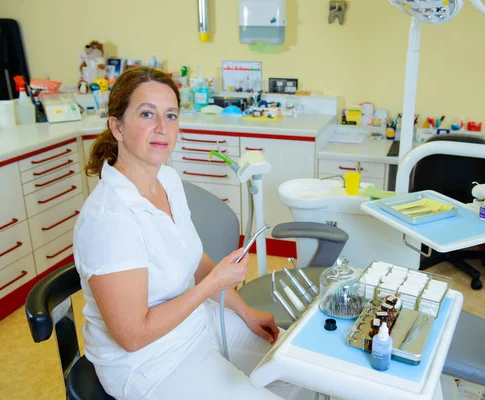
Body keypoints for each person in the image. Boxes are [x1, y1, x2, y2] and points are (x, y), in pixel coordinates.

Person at [74, 66, 311, 399]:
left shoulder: (168, 181)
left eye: (170, 116)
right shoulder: (108, 219)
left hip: (197, 326)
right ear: (117, 126)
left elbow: (193, 258)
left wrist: (244, 312)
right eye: (146, 114)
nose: (161, 128)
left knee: (299, 373)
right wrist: (215, 283)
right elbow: (133, 335)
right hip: (150, 364)